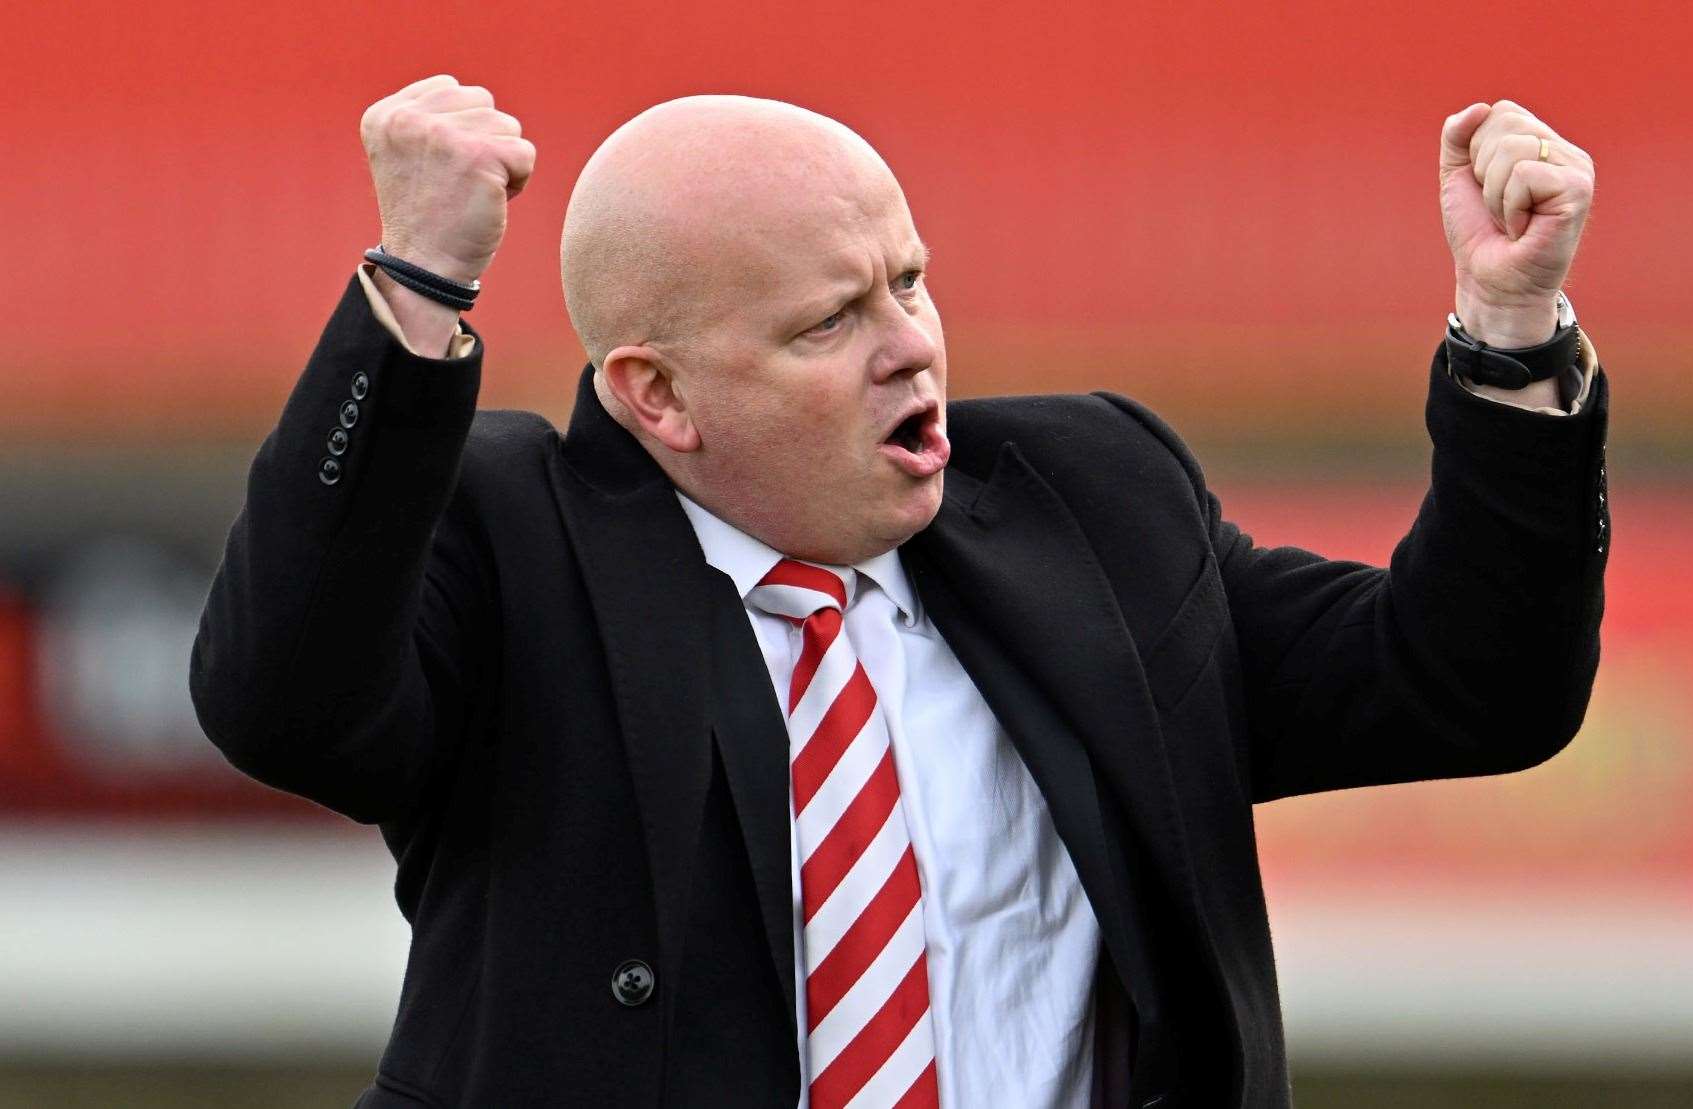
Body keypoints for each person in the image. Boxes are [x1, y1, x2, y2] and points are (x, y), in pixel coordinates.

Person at [188, 74, 1607, 1109]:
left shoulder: (1090, 502)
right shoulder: (515, 539)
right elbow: (283, 701)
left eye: (909, 281)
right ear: (658, 395)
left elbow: (1466, 684)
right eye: (831, 320)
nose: (912, 346)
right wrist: (417, 285)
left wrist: (1510, 337)